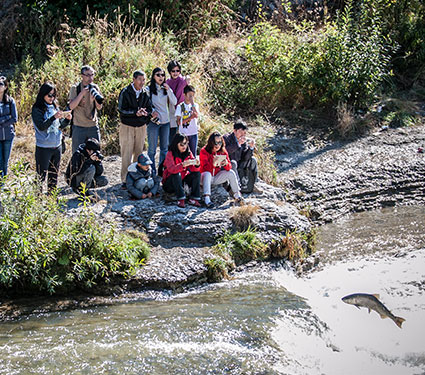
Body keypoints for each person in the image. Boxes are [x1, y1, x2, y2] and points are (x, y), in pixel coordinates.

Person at [32, 82, 72, 192]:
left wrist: (67, 119)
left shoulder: (54, 106)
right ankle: (36, 198)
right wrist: (53, 117)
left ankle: (52, 198)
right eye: (49, 95)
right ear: (43, 94)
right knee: (41, 175)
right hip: (43, 146)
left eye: (54, 95)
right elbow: (41, 126)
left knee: (54, 174)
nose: (52, 98)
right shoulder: (37, 109)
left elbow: (59, 126)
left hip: (56, 145)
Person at [118, 70, 152, 188]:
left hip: (141, 126)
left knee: (139, 154)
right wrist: (135, 113)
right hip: (127, 126)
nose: (142, 82)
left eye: (144, 80)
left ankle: (137, 178)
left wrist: (145, 113)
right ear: (133, 79)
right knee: (126, 153)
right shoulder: (125, 91)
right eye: (139, 79)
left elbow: (150, 108)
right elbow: (121, 109)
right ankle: (125, 180)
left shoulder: (145, 93)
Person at [200, 131, 242, 208]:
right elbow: (204, 167)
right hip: (204, 178)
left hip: (215, 177)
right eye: (215, 143)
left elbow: (229, 167)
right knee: (208, 174)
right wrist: (213, 163)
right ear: (211, 142)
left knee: (231, 173)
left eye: (220, 143)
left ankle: (237, 195)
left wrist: (225, 164)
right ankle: (207, 198)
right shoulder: (204, 151)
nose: (218, 145)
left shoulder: (223, 151)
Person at [146, 67, 177, 174]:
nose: (160, 77)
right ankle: (151, 170)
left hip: (165, 122)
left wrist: (168, 90)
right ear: (153, 76)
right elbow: (146, 105)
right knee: (152, 149)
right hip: (153, 122)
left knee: (164, 148)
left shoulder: (166, 89)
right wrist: (153, 111)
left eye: (162, 75)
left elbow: (174, 101)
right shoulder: (148, 90)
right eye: (158, 75)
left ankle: (161, 170)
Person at [68, 65, 103, 153]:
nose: (90, 78)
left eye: (92, 75)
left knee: (95, 154)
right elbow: (71, 106)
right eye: (87, 75)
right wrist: (82, 94)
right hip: (79, 126)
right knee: (78, 154)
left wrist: (94, 99)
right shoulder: (75, 88)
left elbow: (99, 107)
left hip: (93, 126)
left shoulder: (95, 88)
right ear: (82, 76)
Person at [162, 133, 201, 208]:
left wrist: (197, 165)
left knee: (197, 174)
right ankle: (181, 199)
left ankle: (194, 198)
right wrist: (182, 165)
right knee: (176, 174)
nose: (184, 146)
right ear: (176, 144)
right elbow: (171, 169)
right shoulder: (170, 154)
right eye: (181, 144)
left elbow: (194, 169)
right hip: (170, 183)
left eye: (186, 143)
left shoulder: (188, 153)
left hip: (182, 181)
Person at [223, 119, 258, 193]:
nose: (243, 135)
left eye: (244, 133)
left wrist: (251, 148)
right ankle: (237, 188)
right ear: (235, 131)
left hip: (240, 163)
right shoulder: (226, 138)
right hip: (229, 164)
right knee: (233, 163)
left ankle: (253, 184)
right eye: (241, 132)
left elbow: (245, 157)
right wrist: (238, 144)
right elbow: (226, 151)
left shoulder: (243, 140)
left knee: (253, 160)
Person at [166, 60, 190, 144]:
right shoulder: (167, 82)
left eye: (177, 71)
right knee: (172, 136)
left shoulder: (184, 81)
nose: (175, 73)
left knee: (182, 136)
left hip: (182, 111)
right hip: (171, 111)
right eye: (173, 71)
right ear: (169, 71)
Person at [175, 85, 199, 157]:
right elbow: (179, 122)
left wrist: (192, 104)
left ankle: (193, 168)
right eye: (189, 95)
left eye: (193, 95)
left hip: (193, 133)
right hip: (183, 134)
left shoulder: (195, 105)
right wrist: (190, 118)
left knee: (193, 154)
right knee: (183, 153)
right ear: (184, 95)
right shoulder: (180, 106)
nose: (191, 97)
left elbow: (196, 115)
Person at [0, 76, 17, 178]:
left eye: (1, 84)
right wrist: (6, 118)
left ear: (5, 87)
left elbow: (14, 118)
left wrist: (2, 122)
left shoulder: (10, 101)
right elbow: (9, 117)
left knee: (5, 160)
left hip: (8, 135)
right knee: (0, 161)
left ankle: (3, 182)